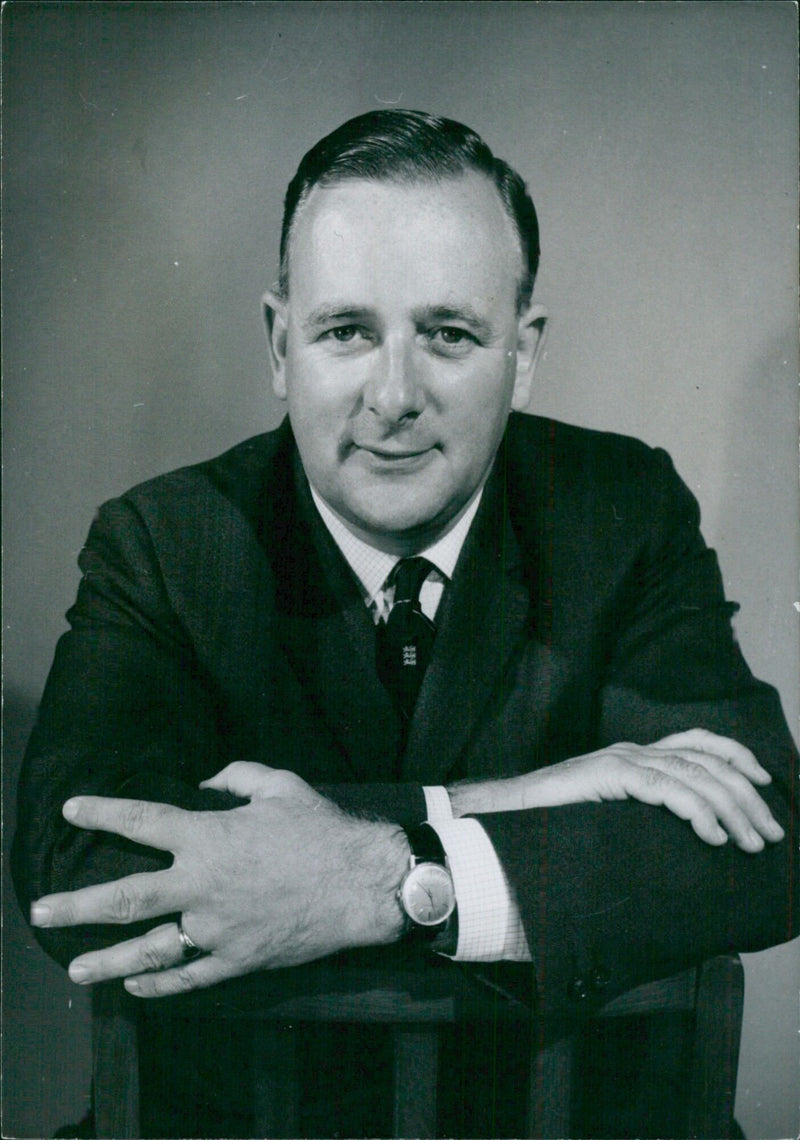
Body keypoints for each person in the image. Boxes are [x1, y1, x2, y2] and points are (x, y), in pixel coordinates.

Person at [13, 110, 798, 1138]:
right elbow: (76, 871)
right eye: (345, 331)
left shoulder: (619, 506)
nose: (392, 396)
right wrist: (500, 801)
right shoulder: (165, 540)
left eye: (449, 335)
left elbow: (758, 842)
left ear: (521, 356)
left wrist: (392, 876)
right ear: (277, 345)